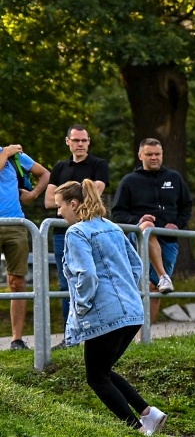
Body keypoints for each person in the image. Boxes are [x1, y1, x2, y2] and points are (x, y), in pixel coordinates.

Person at [53, 180, 167, 434]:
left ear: (73, 204)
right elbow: (137, 265)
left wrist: (81, 307)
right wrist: (127, 292)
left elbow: (88, 275)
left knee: (96, 378)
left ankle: (136, 429)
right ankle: (149, 413)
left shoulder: (76, 232)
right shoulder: (113, 227)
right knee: (102, 370)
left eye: (60, 206)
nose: (58, 212)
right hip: (132, 312)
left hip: (105, 315)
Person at [110, 138, 192, 310]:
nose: (154, 157)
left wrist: (177, 224)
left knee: (155, 289)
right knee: (147, 228)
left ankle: (147, 336)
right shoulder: (129, 181)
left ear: (162, 155)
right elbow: (118, 212)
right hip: (139, 238)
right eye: (149, 154)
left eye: (157, 154)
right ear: (140, 155)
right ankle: (163, 275)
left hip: (168, 241)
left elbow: (186, 206)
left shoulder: (174, 178)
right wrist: (138, 221)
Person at [44, 125, 111, 328]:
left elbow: (95, 194)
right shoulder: (59, 167)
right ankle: (70, 332)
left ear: (89, 142)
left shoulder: (99, 164)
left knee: (95, 276)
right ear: (68, 142)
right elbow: (48, 201)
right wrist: (79, 192)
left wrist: (65, 195)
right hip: (62, 233)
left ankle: (97, 328)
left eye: (83, 140)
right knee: (66, 283)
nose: (80, 144)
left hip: (90, 231)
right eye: (76, 140)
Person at [0, 143, 50, 350]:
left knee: (17, 282)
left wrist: (34, 194)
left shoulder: (14, 156)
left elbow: (45, 174)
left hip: (16, 225)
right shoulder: (8, 153)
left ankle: (16, 339)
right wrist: (6, 154)